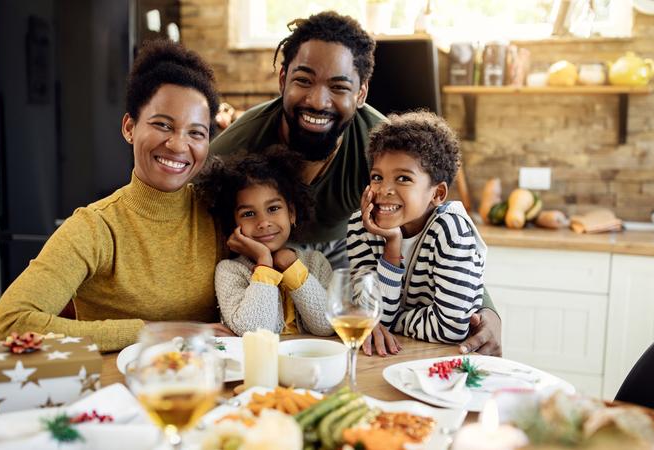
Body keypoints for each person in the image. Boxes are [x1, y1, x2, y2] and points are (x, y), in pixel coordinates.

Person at [209, 11, 501, 357]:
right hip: (253, 262)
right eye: (303, 80)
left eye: (338, 86)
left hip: (343, 257)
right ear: (283, 79)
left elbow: (439, 225)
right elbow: (188, 218)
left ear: (361, 92)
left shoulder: (379, 146)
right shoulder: (236, 145)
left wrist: (487, 310)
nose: (318, 101)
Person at [0, 40, 231, 352]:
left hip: (208, 391)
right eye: (162, 125)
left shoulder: (220, 214)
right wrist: (154, 333)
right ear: (129, 127)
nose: (179, 146)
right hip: (116, 393)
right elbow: (4, 326)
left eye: (196, 133)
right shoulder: (95, 228)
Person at [348, 111, 485, 348]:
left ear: (437, 194)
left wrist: (395, 320)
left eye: (403, 178)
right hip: (394, 354)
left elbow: (451, 328)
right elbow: (370, 316)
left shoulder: (451, 231)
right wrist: (392, 246)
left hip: (443, 360)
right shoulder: (361, 226)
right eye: (377, 177)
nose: (384, 189)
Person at [195, 149, 333, 336]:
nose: (263, 222)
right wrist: (264, 262)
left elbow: (327, 325)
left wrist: (290, 266)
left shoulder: (316, 263)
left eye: (273, 208)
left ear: (291, 213)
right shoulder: (230, 271)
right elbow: (253, 330)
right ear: (233, 222)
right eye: (248, 214)